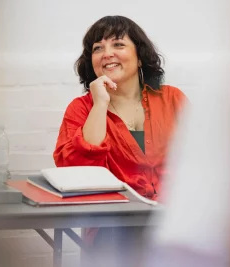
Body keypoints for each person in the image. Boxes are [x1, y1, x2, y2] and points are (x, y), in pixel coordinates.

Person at [53, 15, 187, 254]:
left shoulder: (173, 99)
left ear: (139, 56)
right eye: (98, 48)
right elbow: (78, 173)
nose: (107, 53)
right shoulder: (81, 109)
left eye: (118, 44)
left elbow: (203, 161)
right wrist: (99, 104)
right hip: (114, 227)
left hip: (175, 220)